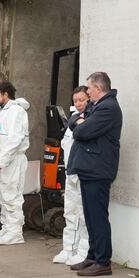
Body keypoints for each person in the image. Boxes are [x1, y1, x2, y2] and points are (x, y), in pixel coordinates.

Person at [67, 71, 122, 277]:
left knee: (98, 217)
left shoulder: (108, 108)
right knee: (90, 216)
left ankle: (103, 261)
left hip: (98, 170)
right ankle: (92, 255)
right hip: (90, 169)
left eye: (89, 88)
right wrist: (79, 122)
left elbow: (82, 132)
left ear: (98, 88)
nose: (87, 92)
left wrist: (81, 125)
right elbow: (73, 120)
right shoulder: (97, 106)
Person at [0, 81, 30, 245]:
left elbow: (15, 139)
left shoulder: (17, 111)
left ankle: (15, 233)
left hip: (11, 161)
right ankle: (6, 228)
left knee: (12, 196)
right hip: (0, 163)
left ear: (6, 94)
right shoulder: (2, 111)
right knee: (2, 197)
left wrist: (2, 161)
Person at [53, 86, 91, 265]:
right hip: (71, 173)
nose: (79, 103)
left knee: (83, 214)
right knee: (70, 212)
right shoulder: (72, 123)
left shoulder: (90, 120)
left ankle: (82, 251)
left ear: (89, 100)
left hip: (83, 173)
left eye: (82, 100)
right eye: (76, 101)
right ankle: (68, 248)